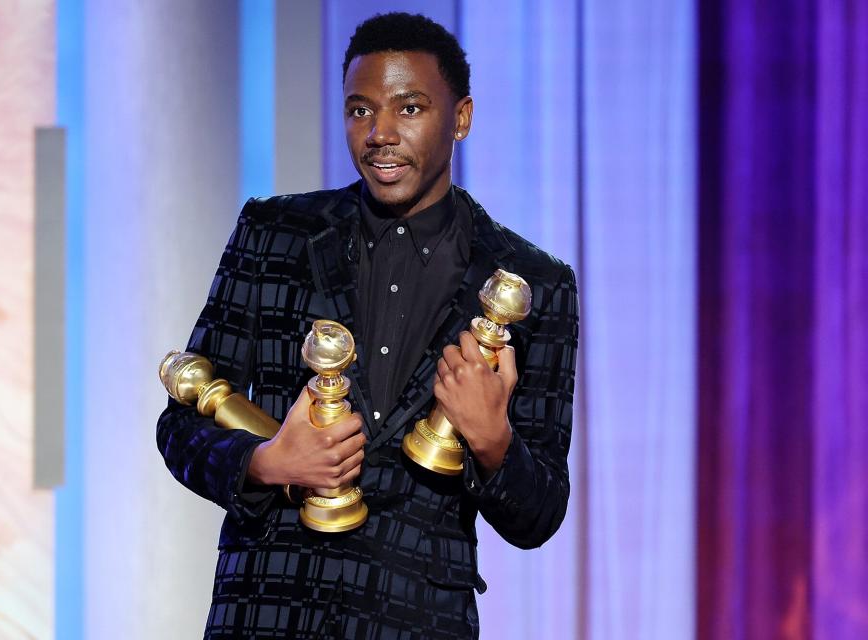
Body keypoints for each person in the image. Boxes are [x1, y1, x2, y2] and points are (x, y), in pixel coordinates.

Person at [157, 12, 578, 639]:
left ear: (460, 117)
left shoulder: (531, 283)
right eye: (360, 110)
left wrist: (492, 439)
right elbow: (178, 427)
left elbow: (539, 514)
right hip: (266, 613)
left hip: (417, 618)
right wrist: (268, 462)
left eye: (409, 110)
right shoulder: (274, 234)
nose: (380, 133)